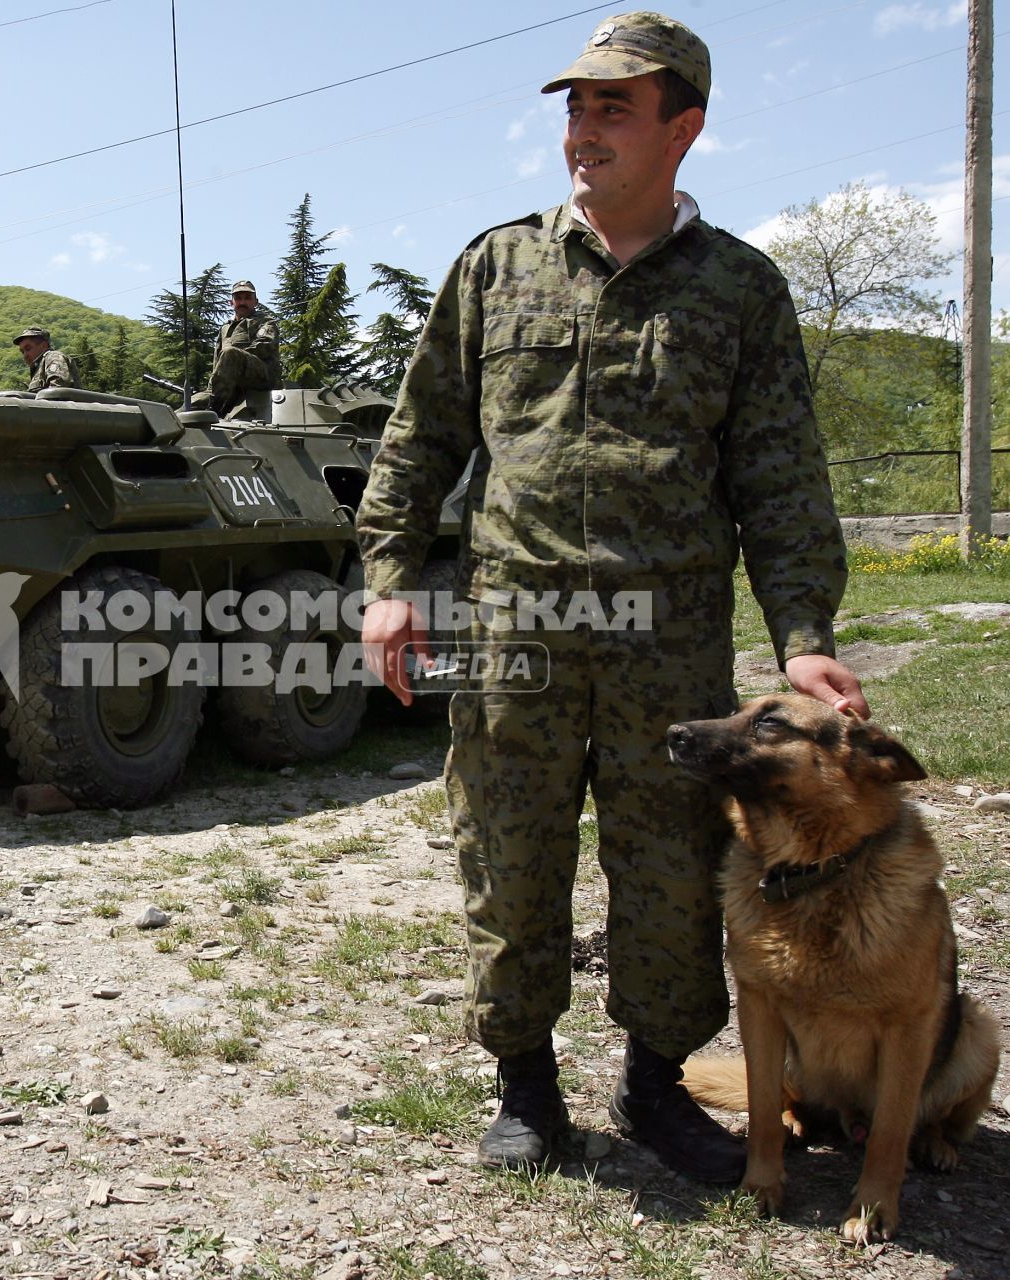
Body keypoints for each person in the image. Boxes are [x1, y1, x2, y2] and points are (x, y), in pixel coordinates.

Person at [355, 10, 867, 1184]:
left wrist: (803, 638)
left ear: (682, 126)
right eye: (574, 106)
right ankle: (524, 1084)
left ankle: (653, 1084)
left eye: (612, 106)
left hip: (668, 637)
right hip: (517, 628)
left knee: (672, 864)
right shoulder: (497, 266)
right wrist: (389, 582)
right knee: (509, 853)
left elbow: (780, 479)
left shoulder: (739, 289)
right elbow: (417, 437)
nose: (582, 128)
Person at [206, 281, 280, 417]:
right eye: (238, 298)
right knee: (194, 402)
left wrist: (236, 360)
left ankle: (214, 411)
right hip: (230, 384)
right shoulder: (225, 328)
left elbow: (265, 346)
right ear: (231, 302)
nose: (242, 302)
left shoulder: (265, 322)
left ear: (255, 302)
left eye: (247, 298)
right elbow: (217, 362)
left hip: (262, 376)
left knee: (230, 353)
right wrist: (211, 389)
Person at [13, 327, 80, 392]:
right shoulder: (38, 367)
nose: (25, 356)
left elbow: (58, 391)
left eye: (28, 349)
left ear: (43, 346)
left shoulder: (54, 357)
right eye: (22, 352)